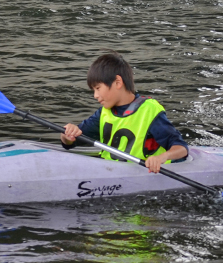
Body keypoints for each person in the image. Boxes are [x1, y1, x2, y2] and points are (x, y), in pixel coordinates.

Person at [60, 52, 189, 174]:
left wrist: (161, 158)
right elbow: (71, 142)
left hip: (143, 173)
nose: (95, 95)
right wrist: (67, 135)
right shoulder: (104, 112)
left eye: (98, 88)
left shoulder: (149, 110)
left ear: (118, 82)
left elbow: (181, 148)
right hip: (111, 172)